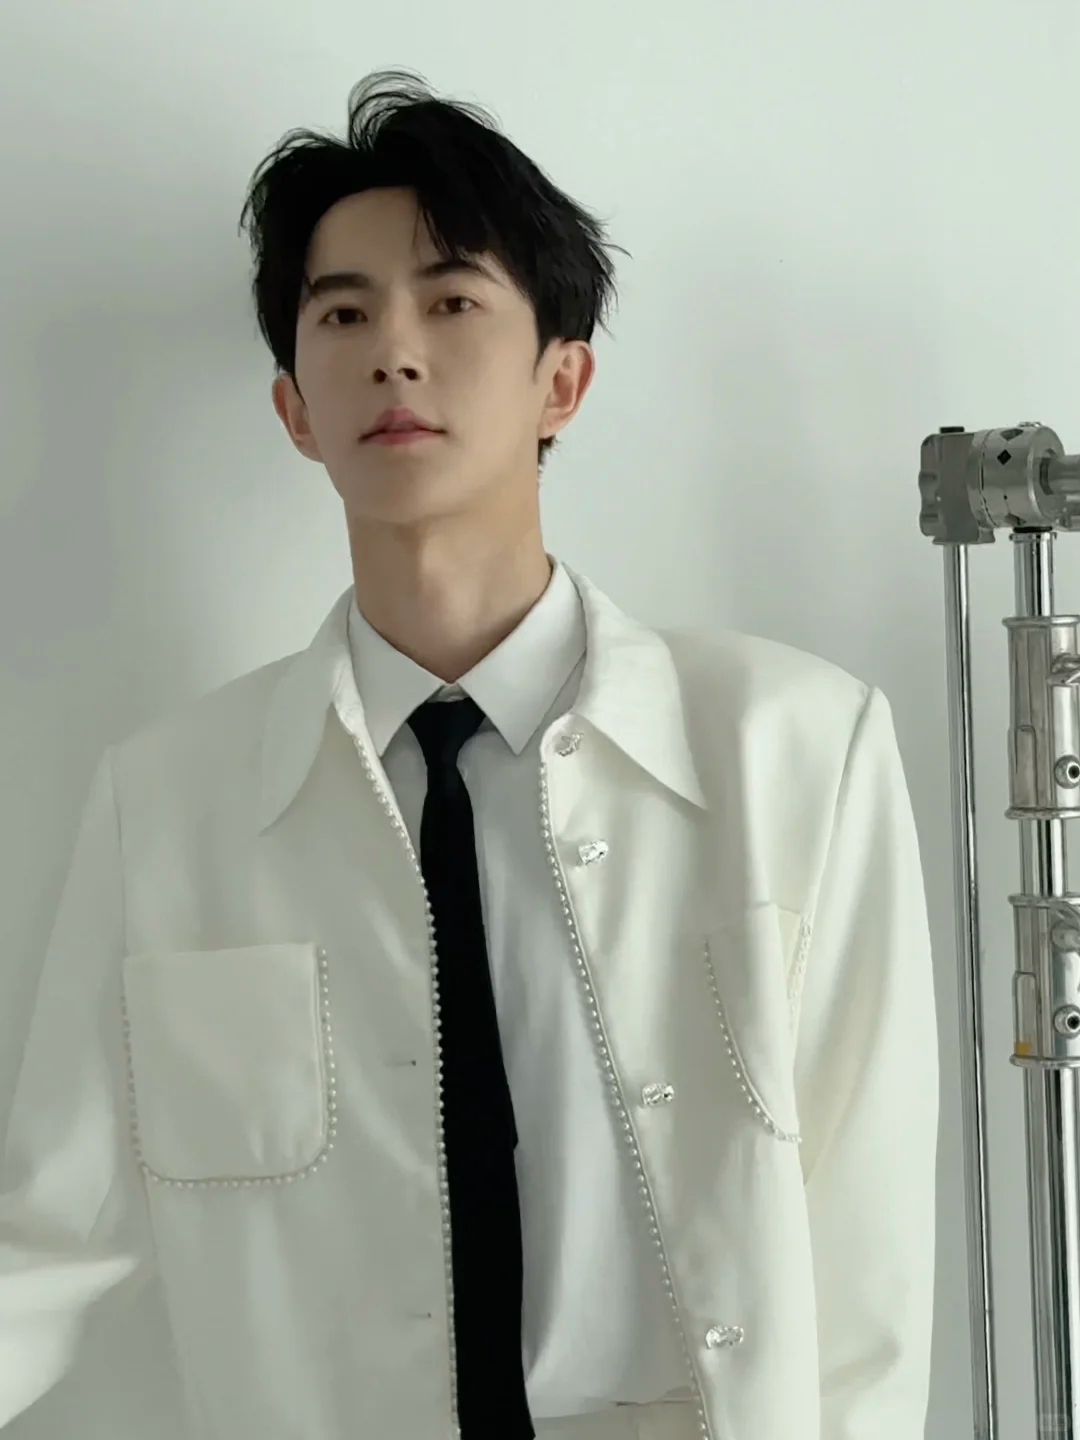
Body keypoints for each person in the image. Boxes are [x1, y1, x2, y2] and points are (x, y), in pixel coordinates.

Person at [0, 68, 939, 1440]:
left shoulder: (799, 746)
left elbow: (869, 1264)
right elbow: (48, 1240)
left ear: (564, 380)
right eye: (344, 314)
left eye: (450, 302)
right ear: (295, 411)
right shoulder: (170, 802)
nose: (395, 350)